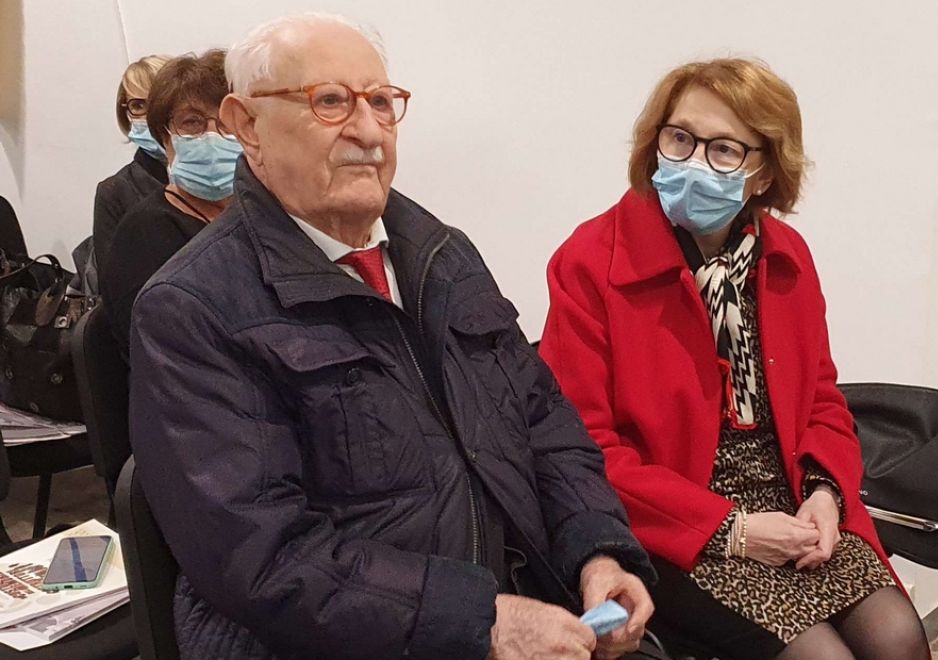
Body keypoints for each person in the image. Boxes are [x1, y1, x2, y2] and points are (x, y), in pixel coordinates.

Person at [128, 14, 658, 660]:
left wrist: (596, 549)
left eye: (381, 101)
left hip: (519, 602)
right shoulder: (192, 308)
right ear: (247, 125)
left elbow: (544, 421)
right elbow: (263, 559)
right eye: (330, 102)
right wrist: (480, 621)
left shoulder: (443, 255)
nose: (368, 130)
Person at [540, 59, 930, 660]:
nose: (694, 162)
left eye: (724, 149)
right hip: (676, 521)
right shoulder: (591, 260)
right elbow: (584, 447)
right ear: (655, 142)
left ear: (763, 172)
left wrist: (826, 494)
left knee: (900, 638)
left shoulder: (786, 256)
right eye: (680, 138)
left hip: (793, 503)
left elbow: (823, 399)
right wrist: (734, 529)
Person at [100, 49, 241, 360]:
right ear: (164, 136)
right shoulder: (145, 235)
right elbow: (165, 354)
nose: (212, 135)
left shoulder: (258, 210)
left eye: (227, 122)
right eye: (192, 122)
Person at [92, 55, 171, 272]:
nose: (152, 115)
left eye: (159, 102)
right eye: (138, 105)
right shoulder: (115, 193)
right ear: (125, 113)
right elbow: (113, 286)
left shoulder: (220, 177)